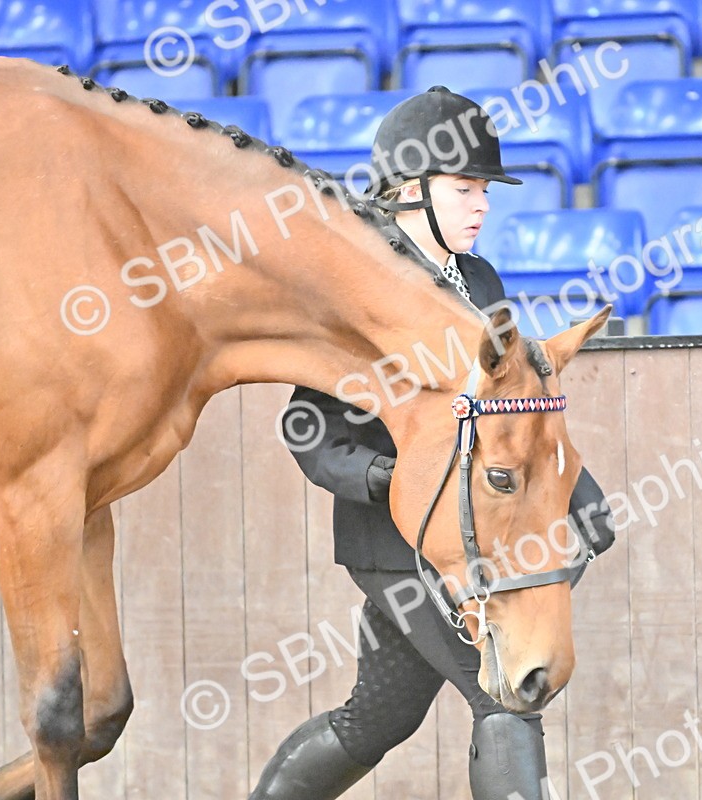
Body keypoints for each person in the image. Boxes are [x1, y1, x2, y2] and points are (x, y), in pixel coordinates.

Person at [250, 86, 615, 800]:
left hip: (473, 532)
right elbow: (308, 429)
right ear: (410, 191)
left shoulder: (478, 278)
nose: (482, 206)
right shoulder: (361, 289)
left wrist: (576, 494)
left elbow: (509, 407)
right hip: (397, 543)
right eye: (464, 189)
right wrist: (387, 477)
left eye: (486, 192)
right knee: (505, 695)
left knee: (376, 720)